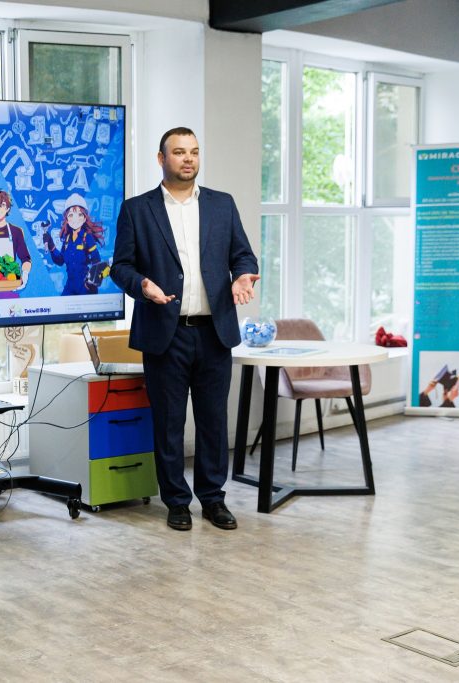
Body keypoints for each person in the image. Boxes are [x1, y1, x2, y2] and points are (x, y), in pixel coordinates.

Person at [111, 127, 259, 532]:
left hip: (215, 332)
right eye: (179, 152)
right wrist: (142, 285)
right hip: (166, 333)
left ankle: (213, 499)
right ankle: (176, 501)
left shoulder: (222, 204)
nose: (188, 158)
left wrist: (243, 275)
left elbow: (243, 256)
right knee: (169, 423)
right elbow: (120, 267)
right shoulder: (137, 210)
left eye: (194, 151)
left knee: (213, 423)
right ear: (162, 159)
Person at [43, 193, 105, 295]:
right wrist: (51, 244)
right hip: (70, 286)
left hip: (85, 287)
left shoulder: (87, 237)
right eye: (71, 215)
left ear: (84, 218)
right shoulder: (67, 239)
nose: (75, 219)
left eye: (79, 215)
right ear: (67, 219)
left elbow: (97, 262)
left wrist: (91, 282)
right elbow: (60, 260)